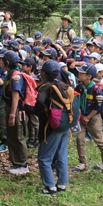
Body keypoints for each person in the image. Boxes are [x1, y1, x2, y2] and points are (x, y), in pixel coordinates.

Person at [34, 60, 71, 194]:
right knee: (61, 155)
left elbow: (39, 103)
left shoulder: (46, 87)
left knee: (44, 157)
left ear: (44, 74)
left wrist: (31, 109)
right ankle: (62, 183)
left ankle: (50, 186)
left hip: (51, 126)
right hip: (65, 125)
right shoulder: (64, 85)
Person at [73, 63, 103, 172]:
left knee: (99, 140)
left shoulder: (96, 89)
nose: (79, 74)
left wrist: (88, 117)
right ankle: (83, 162)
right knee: (79, 139)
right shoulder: (79, 87)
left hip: (93, 118)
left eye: (82, 73)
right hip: (82, 117)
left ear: (89, 76)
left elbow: (99, 106)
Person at [1, 51, 29, 174]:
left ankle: (23, 164)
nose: (0, 62)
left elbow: (15, 97)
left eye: (2, 60)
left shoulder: (15, 76)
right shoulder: (10, 74)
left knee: (17, 136)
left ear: (7, 62)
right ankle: (15, 163)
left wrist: (12, 115)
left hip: (16, 109)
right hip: (9, 107)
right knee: (11, 136)